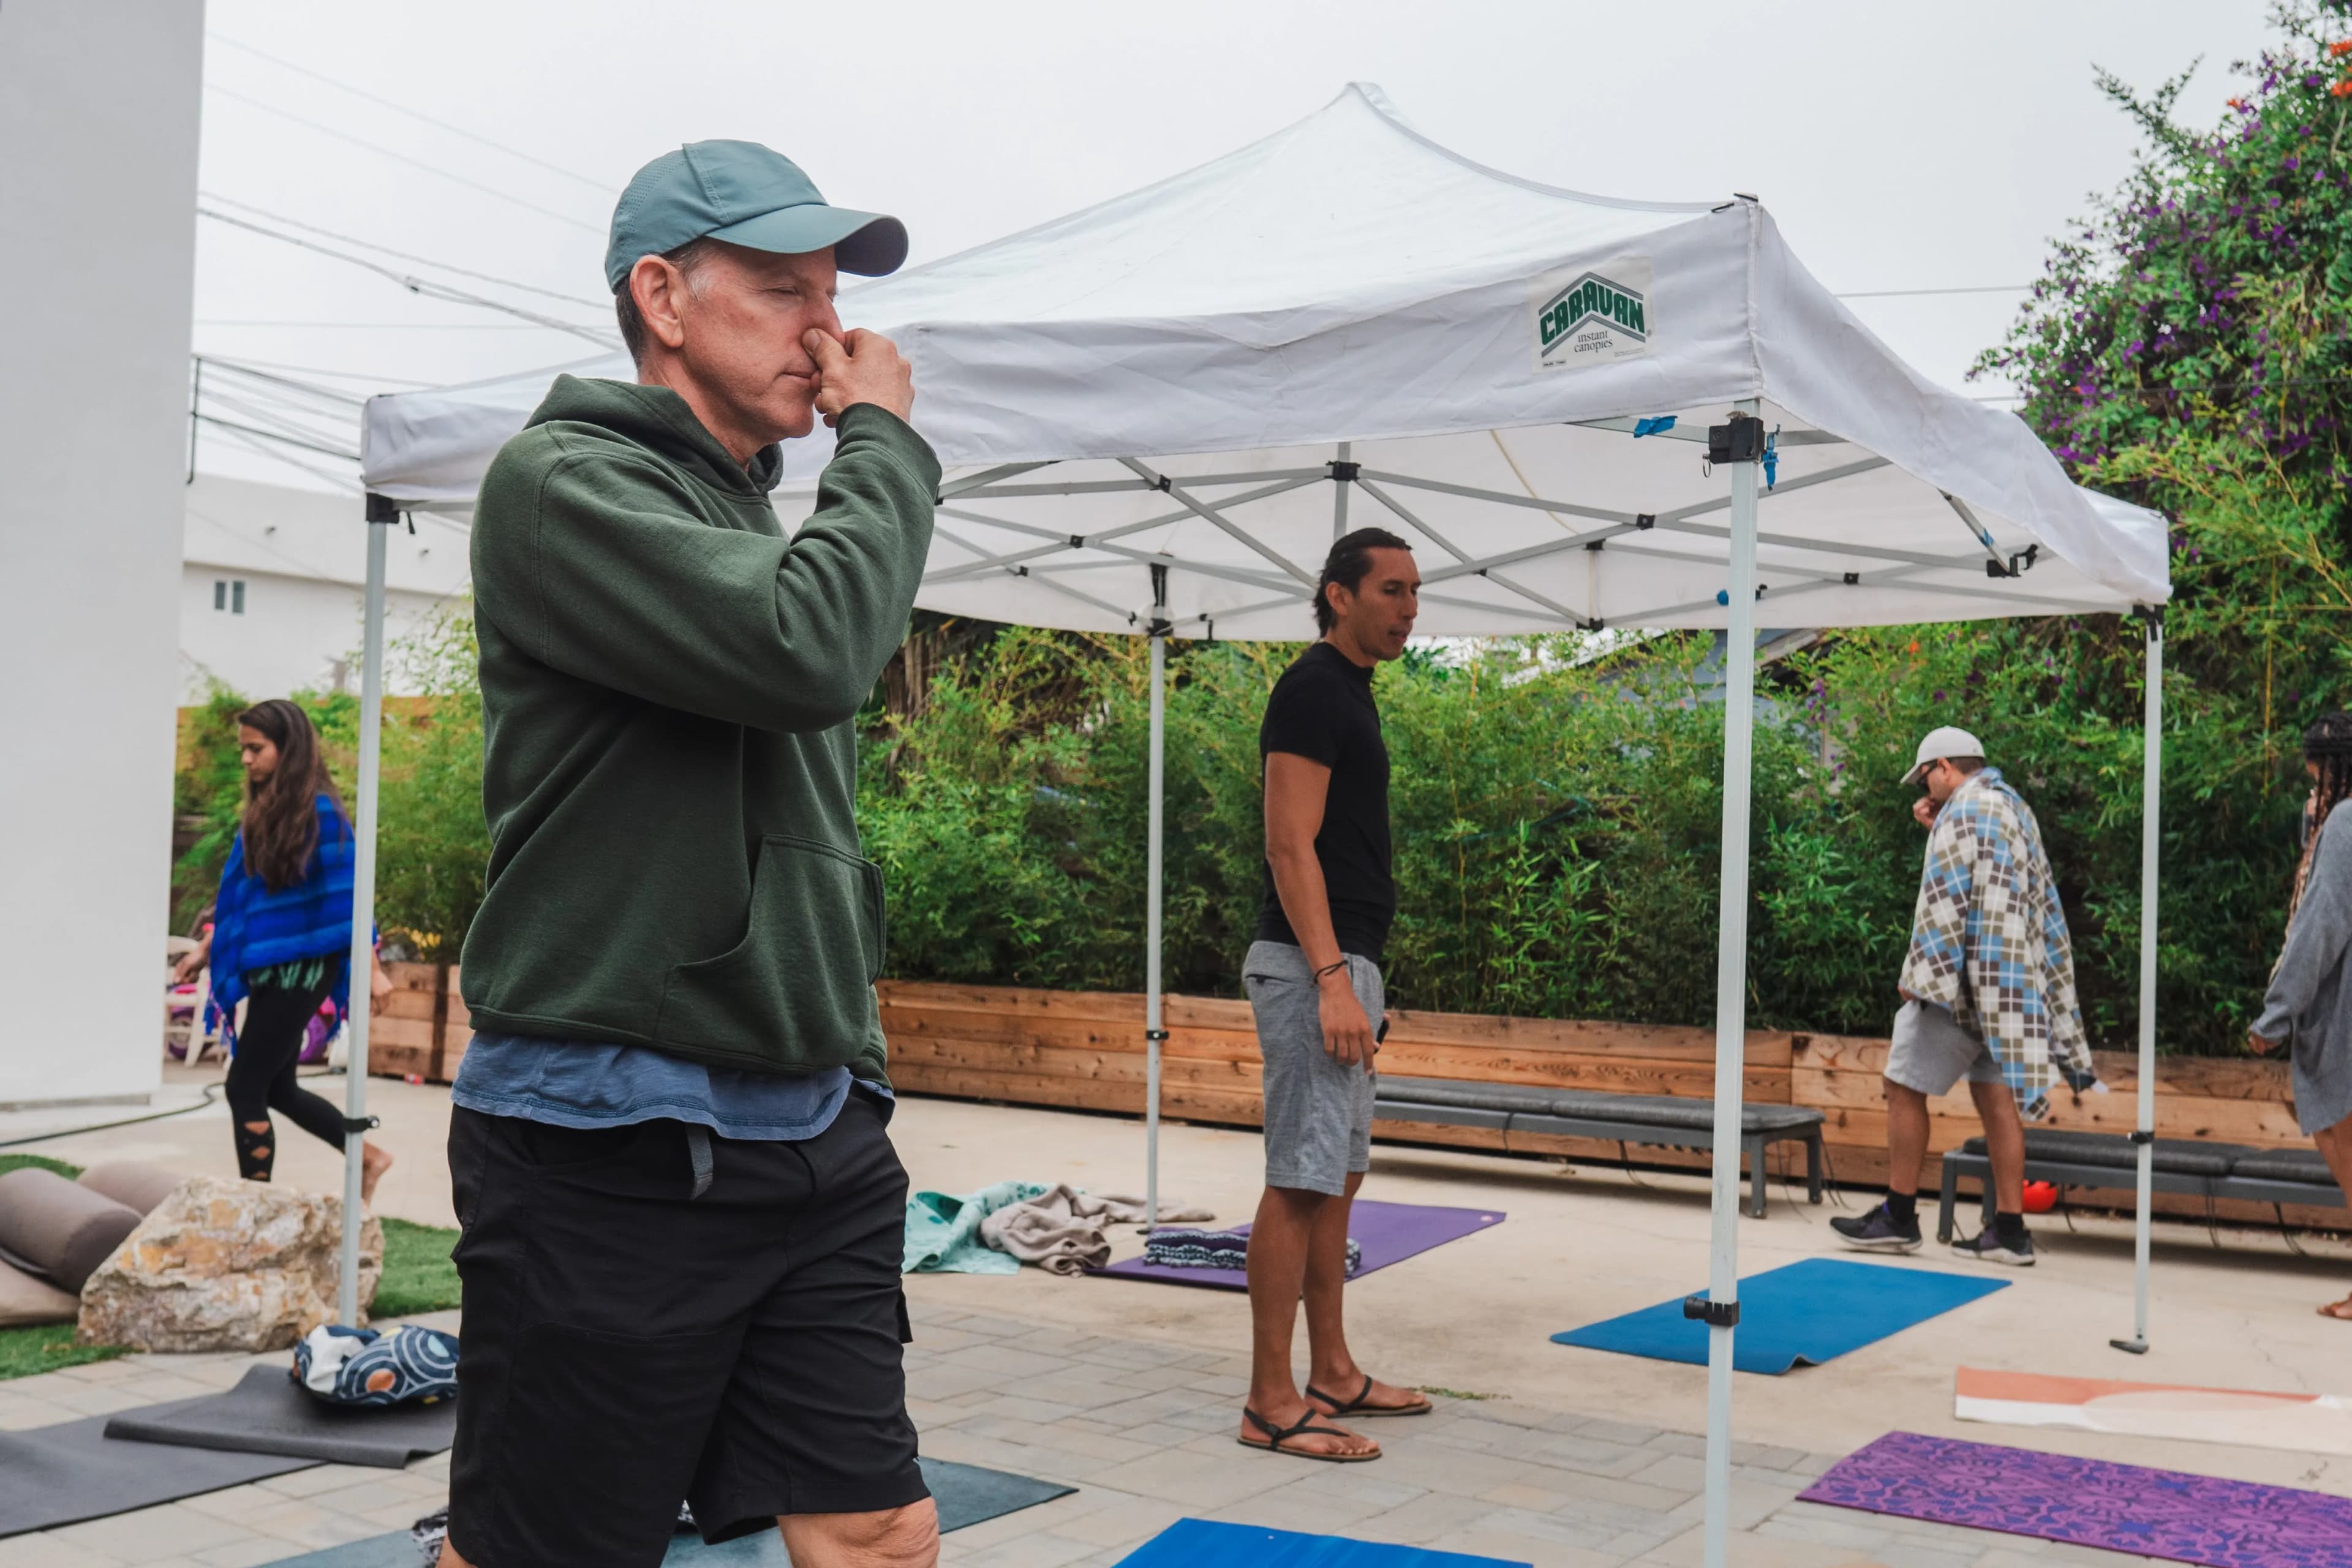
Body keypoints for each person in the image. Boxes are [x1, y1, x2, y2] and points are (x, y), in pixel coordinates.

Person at [437, 141, 937, 1568]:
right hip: (613, 1127)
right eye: (782, 291)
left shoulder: (746, 510)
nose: (828, 334)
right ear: (661, 296)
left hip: (810, 1121)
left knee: (878, 1524)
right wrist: (884, 441)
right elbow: (814, 647)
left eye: (830, 295)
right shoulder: (561, 485)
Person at [1235, 527, 1429, 1464]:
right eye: (1391, 590)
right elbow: (1287, 842)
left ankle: (1334, 1372)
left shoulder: (1351, 694)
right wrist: (1328, 979)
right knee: (1300, 1181)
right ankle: (1270, 1401)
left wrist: (1359, 980)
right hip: (1312, 963)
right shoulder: (1313, 688)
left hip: (1347, 965)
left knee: (1338, 1178)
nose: (1408, 608)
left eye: (1415, 592)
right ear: (1338, 595)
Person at [1831, 725, 2100, 1267]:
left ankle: (1900, 1216)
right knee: (1996, 1100)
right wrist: (1937, 827)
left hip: (1959, 982)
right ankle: (2009, 1230)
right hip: (2010, 983)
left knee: (1902, 1084)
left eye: (1927, 776)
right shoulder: (2011, 807)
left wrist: (1921, 977)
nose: (1925, 789)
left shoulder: (1962, 813)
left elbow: (1948, 900)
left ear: (1947, 767)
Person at [172, 700, 394, 1201]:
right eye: (243, 750)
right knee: (277, 1088)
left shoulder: (320, 813)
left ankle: (255, 1203)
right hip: (270, 969)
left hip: (303, 970)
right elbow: (248, 899)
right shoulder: (266, 814)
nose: (247, 760)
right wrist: (207, 948)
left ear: (287, 749)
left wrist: (373, 970)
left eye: (257, 749)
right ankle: (368, 1157)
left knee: (243, 1086)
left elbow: (348, 898)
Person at [2248, 712, 2352, 1321]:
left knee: (2338, 1133)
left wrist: (2277, 1013)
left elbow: (2321, 923)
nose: (2311, 786)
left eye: (2316, 772)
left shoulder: (2345, 821)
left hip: (2342, 1014)